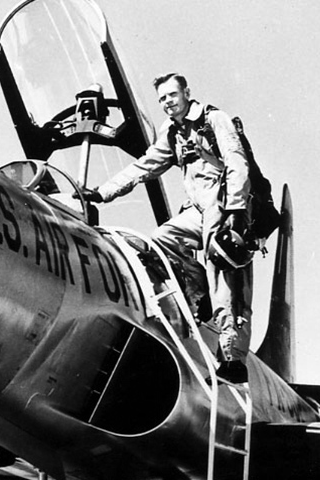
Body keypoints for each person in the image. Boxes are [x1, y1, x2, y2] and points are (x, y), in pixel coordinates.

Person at [79, 73, 253, 383]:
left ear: (187, 92)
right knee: (161, 241)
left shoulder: (214, 120)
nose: (167, 102)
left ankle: (232, 359)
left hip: (225, 205)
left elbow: (237, 162)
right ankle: (199, 293)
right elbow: (146, 165)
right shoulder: (172, 132)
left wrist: (236, 212)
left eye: (172, 95)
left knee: (225, 280)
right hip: (198, 209)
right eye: (162, 98)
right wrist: (103, 192)